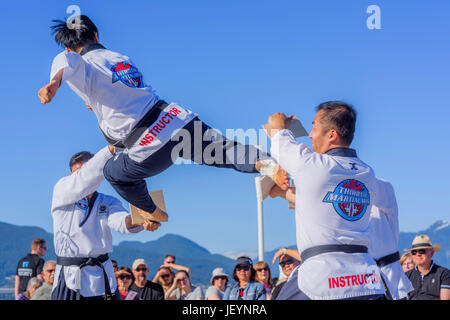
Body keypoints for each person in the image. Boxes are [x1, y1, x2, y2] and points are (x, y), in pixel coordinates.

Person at [38, 15, 289, 223]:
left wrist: (53, 84)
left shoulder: (82, 63)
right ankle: (265, 164)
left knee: (114, 172)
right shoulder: (120, 58)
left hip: (148, 142)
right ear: (96, 35)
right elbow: (124, 95)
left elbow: (66, 61)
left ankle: (151, 210)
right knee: (224, 151)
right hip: (175, 117)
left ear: (71, 47)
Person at [265, 102, 387, 300]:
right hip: (366, 280)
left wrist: (279, 124)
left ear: (331, 135)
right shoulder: (367, 173)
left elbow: (280, 142)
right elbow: (325, 202)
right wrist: (282, 194)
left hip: (323, 276)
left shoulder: (315, 165)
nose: (311, 134)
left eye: (314, 127)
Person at [51, 147, 160, 300]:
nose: (84, 177)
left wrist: (142, 220)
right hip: (70, 275)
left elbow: (122, 221)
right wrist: (110, 149)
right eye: (77, 173)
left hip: (102, 275)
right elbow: (84, 179)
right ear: (70, 176)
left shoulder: (107, 202)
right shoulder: (61, 192)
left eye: (87, 171)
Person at [405, 235, 450, 300]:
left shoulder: (444, 274)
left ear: (431, 253)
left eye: (421, 251)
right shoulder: (407, 276)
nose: (418, 254)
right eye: (414, 252)